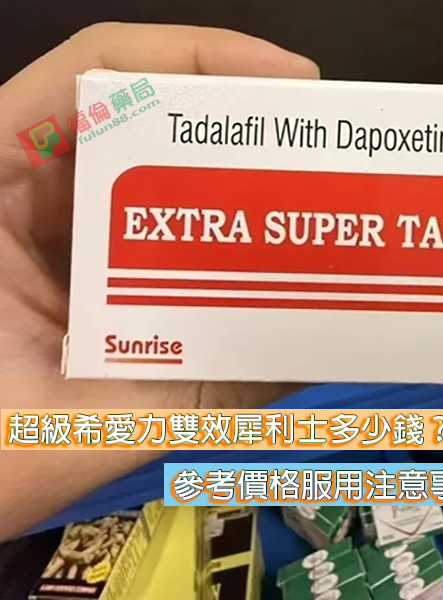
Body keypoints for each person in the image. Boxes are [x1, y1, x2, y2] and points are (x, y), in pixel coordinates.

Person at [0, 22, 318, 543]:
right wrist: (36, 147)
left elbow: (55, 136)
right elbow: (58, 135)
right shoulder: (92, 121)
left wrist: (36, 146)